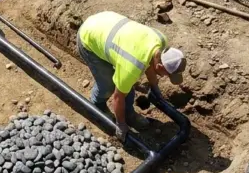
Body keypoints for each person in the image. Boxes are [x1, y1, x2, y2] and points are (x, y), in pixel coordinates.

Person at [77, 10, 185, 142]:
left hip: (108, 25)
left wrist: (155, 88)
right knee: (108, 86)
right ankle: (98, 105)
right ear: (160, 66)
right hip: (89, 37)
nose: (165, 77)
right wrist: (120, 125)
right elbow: (118, 97)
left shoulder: (161, 42)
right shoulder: (132, 66)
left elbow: (150, 65)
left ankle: (128, 113)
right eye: (167, 75)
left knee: (126, 84)